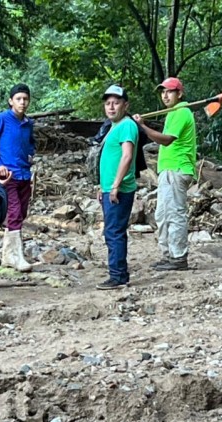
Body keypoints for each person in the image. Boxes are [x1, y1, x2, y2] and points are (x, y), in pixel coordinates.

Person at [133, 77, 197, 271]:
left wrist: (142, 127)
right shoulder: (172, 114)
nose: (165, 95)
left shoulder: (182, 112)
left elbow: (167, 140)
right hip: (168, 170)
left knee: (174, 214)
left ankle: (178, 257)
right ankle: (169, 254)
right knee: (162, 214)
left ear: (180, 94)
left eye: (169, 91)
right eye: (163, 92)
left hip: (177, 169)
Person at [0, 83, 35, 272]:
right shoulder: (2, 119)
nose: (22, 103)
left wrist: (31, 154)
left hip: (25, 173)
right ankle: (17, 256)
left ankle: (8, 254)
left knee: (21, 213)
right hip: (8, 175)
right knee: (14, 212)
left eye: (25, 99)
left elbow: (31, 143)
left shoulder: (28, 123)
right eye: (18, 99)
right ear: (11, 101)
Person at [96, 84, 139, 290]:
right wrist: (102, 186)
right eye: (108, 103)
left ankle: (118, 275)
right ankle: (118, 273)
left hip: (119, 190)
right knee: (112, 231)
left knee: (114, 232)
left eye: (116, 103)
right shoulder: (113, 127)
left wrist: (115, 186)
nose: (111, 107)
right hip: (109, 188)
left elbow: (127, 156)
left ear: (125, 105)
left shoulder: (127, 125)